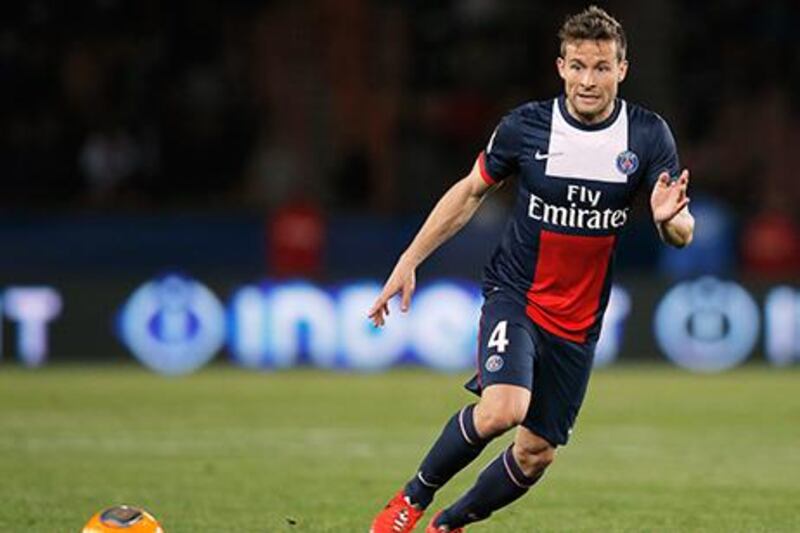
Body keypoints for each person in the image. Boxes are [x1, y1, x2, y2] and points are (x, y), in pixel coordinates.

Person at [368, 6, 695, 533]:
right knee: (503, 408)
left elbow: (682, 232)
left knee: (536, 453)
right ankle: (410, 500)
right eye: (579, 66)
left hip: (580, 320)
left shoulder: (647, 136)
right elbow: (471, 190)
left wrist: (668, 219)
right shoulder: (525, 127)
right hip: (516, 294)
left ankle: (446, 527)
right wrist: (409, 260)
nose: (589, 80)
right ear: (561, 66)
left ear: (622, 70)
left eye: (602, 67)